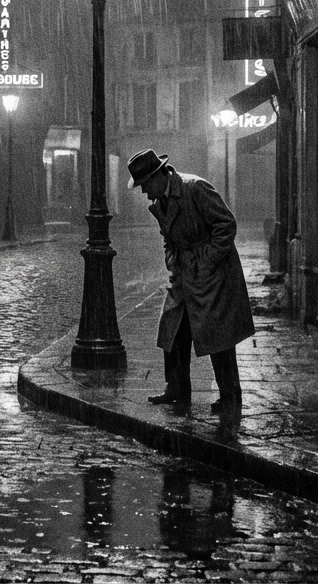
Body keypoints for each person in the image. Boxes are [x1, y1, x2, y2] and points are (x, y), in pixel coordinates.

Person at [126, 149, 255, 439]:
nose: (146, 193)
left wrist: (206, 258)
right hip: (185, 274)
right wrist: (173, 261)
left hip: (214, 276)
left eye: (146, 185)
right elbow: (168, 240)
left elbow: (226, 225)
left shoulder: (195, 188)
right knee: (172, 330)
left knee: (218, 336)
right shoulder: (160, 201)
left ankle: (230, 397)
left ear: (159, 175)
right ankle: (176, 389)